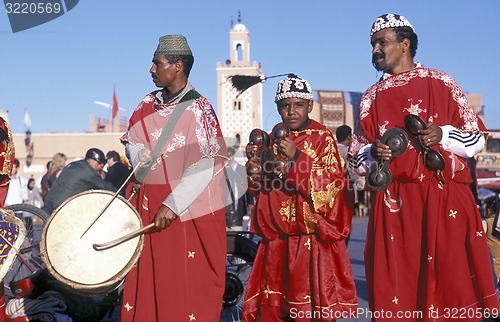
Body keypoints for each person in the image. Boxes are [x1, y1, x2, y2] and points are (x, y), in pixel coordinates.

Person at [352, 13, 498, 320]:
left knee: (449, 290)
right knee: (398, 292)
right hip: (394, 209)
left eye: (382, 43)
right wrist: (372, 152)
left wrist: (442, 134)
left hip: (442, 202)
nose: (375, 50)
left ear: (404, 45)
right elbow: (355, 160)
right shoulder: (370, 98)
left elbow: (476, 139)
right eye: (373, 44)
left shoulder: (441, 82)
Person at [119, 35, 228, 321]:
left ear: (177, 66)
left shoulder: (200, 109)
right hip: (145, 213)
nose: (151, 69)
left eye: (157, 63)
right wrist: (138, 153)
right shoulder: (146, 103)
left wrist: (172, 204)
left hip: (181, 218)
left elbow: (208, 162)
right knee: (145, 282)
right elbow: (131, 140)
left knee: (178, 288)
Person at [242, 74, 358, 321]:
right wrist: (255, 160)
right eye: (285, 106)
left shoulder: (322, 138)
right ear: (278, 108)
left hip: (309, 242)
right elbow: (258, 188)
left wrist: (297, 158)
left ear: (310, 106)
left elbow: (333, 188)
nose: (291, 111)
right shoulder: (272, 139)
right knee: (273, 311)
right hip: (276, 242)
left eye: (298, 105)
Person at [42, 148, 116, 215]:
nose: (102, 165)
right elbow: (105, 186)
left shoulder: (75, 164)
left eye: (103, 163)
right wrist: (119, 192)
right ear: (91, 160)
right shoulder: (88, 172)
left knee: (46, 228)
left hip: (50, 199)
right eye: (100, 162)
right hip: (61, 204)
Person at [225, 146, 253, 229]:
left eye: (230, 156)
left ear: (233, 156)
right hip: (226, 205)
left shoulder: (242, 169)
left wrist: (250, 201)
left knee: (237, 230)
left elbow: (247, 185)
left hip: (239, 205)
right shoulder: (223, 170)